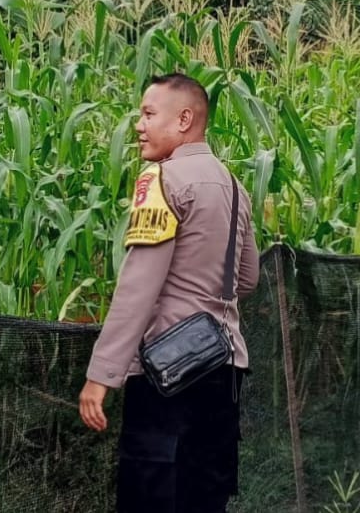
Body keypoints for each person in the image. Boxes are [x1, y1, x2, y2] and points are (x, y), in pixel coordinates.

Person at [78, 73, 260, 513]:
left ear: (183, 119)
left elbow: (138, 287)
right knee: (205, 499)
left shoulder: (160, 179)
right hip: (225, 371)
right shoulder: (233, 186)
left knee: (153, 495)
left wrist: (101, 375)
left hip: (168, 375)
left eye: (147, 113)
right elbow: (248, 277)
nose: (138, 125)